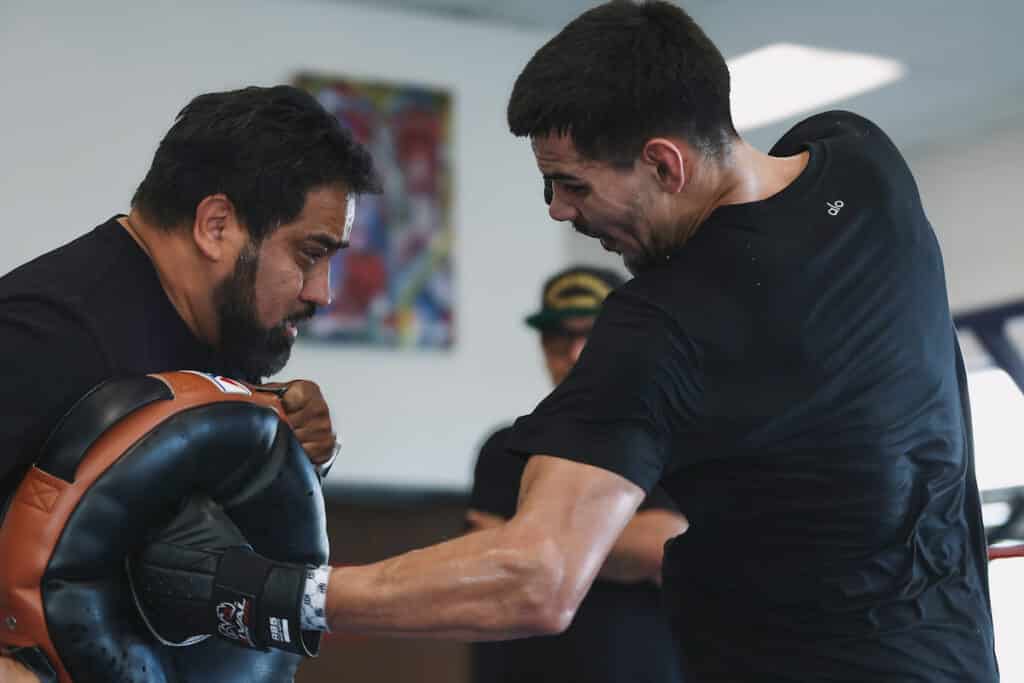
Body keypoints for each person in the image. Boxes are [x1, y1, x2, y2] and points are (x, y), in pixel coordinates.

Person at [129, 3, 998, 681]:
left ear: (665, 164)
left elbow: (535, 575)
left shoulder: (662, 326)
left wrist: (264, 593)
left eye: (571, 185)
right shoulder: (863, 162)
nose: (559, 213)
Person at [0, 84, 379, 679]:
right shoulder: (43, 334)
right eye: (310, 254)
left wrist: (297, 458)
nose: (321, 293)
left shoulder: (214, 329)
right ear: (217, 225)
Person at [466, 265, 685, 683]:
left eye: (593, 335)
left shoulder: (667, 441)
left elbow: (660, 547)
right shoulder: (505, 447)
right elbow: (486, 570)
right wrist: (607, 540)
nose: (574, 353)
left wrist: (525, 542)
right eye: (558, 337)